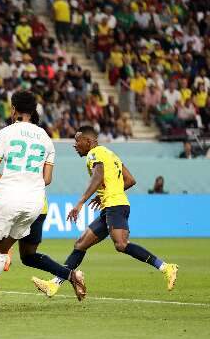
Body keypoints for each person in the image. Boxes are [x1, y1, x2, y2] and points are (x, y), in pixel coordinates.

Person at [0, 91, 85, 315]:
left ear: (13, 109)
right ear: (34, 111)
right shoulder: (46, 138)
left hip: (10, 197)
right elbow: (47, 179)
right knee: (3, 249)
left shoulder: (6, 133)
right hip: (34, 203)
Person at [32, 126, 178, 297]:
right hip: (110, 206)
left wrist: (80, 202)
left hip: (115, 206)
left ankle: (166, 267)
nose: (75, 145)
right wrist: (105, 194)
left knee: (121, 244)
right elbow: (130, 180)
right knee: (81, 244)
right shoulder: (110, 154)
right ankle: (54, 284)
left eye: (77, 141)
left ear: (88, 141)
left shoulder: (95, 154)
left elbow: (98, 175)